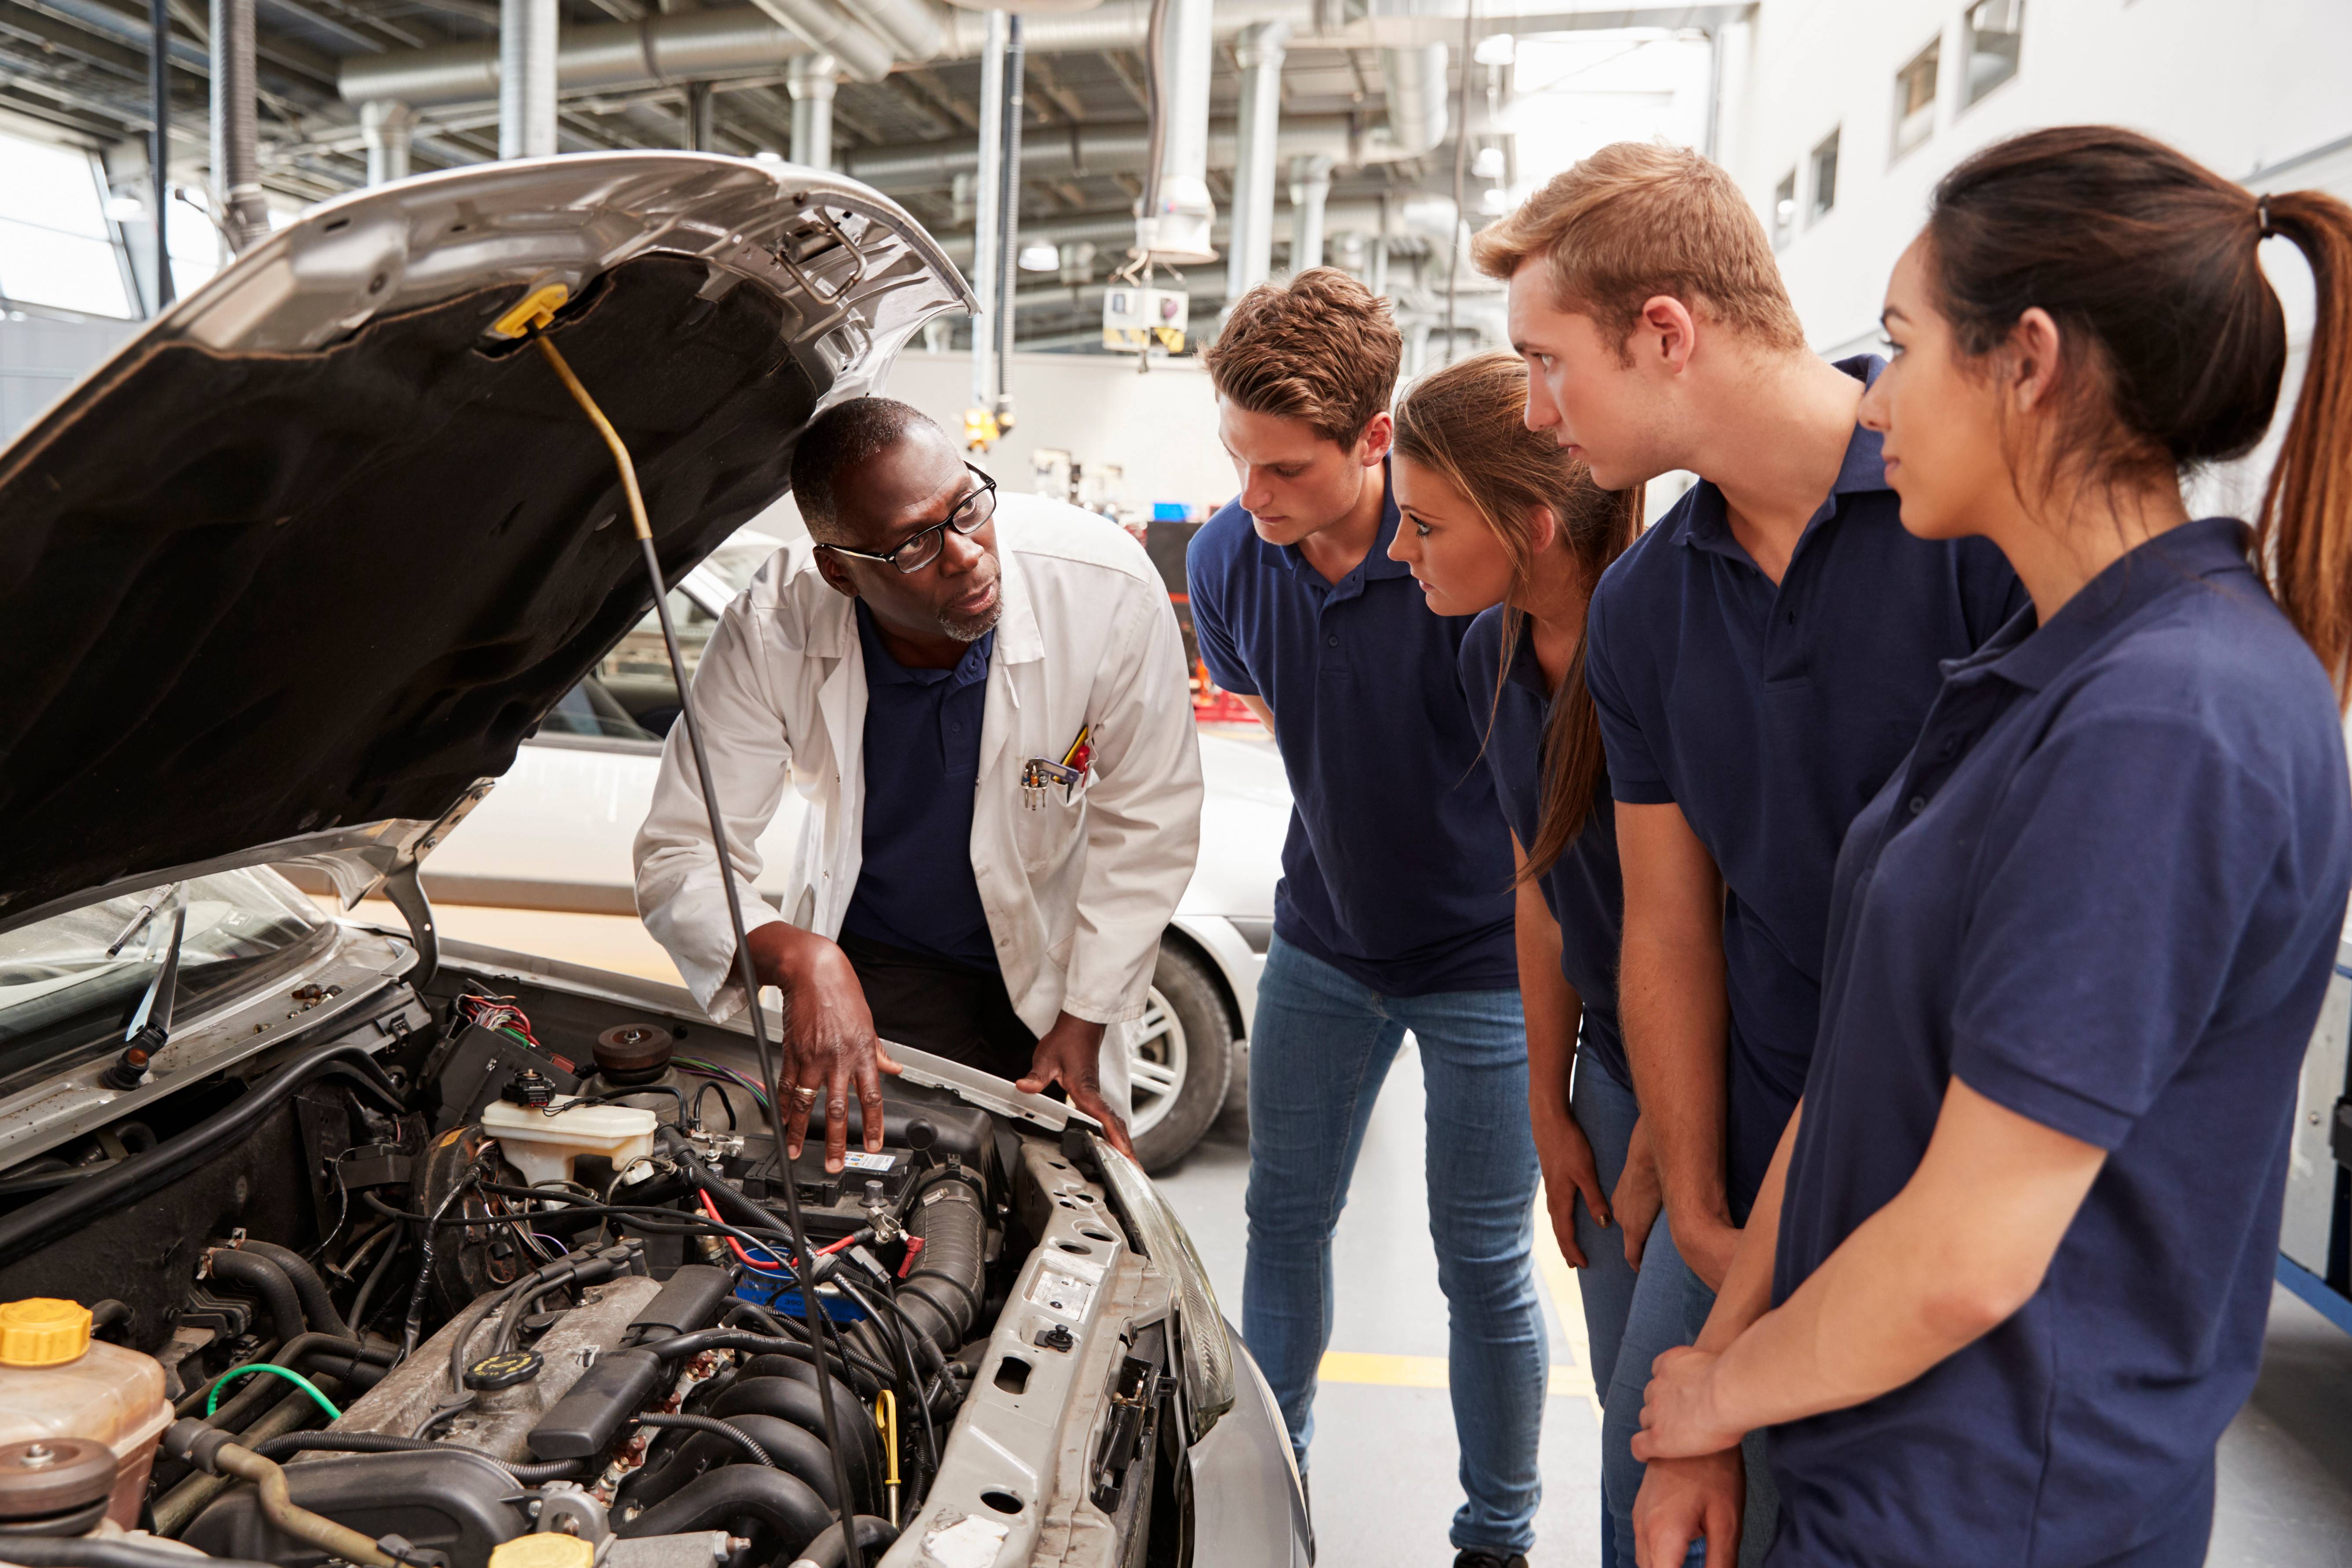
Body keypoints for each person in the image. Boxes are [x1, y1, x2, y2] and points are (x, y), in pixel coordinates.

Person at [1631, 126, 2352, 1568]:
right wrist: (1715, 1393)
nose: (1877, 402)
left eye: (1900, 347)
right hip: (1883, 1478)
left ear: (2027, 361)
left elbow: (1968, 1248)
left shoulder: (2167, 723)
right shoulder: (2048, 666)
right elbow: (1860, 1077)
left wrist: (1722, 1385)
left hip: (1995, 1511)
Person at [1469, 143, 2025, 1564]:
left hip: (1973, 1153)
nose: (1537, 408)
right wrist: (1702, 1201)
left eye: (1549, 362)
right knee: (1643, 1507)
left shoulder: (1977, 525)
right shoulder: (1649, 604)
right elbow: (1666, 926)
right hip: (1757, 1136)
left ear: (1667, 330)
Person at [1187, 271, 1545, 1568]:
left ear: (1374, 440)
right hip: (1325, 945)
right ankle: (1270, 1502)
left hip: (1482, 969)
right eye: (1236, 458)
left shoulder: (1465, 563)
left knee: (1481, 1262)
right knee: (1280, 1224)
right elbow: (1288, 715)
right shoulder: (1231, 559)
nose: (1251, 495)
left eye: (1282, 468)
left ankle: (1495, 1538)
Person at [634, 396, 1202, 1171]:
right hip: (880, 970)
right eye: (912, 547)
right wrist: (802, 960)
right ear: (838, 570)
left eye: (967, 506)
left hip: (1053, 968)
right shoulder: (774, 626)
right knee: (872, 1205)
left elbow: (1150, 818)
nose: (966, 554)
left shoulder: (1102, 587)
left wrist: (1088, 1016)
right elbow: (680, 852)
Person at [1384, 350, 1646, 1563]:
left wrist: (1675, 1140)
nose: (1401, 553)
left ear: (1530, 525)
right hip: (1608, 1077)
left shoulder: (1661, 645)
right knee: (1624, 1413)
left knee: (1669, 1438)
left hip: (1720, 1089)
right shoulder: (1482, 648)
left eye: (1423, 525)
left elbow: (1711, 929)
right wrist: (1551, 1104)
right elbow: (1537, 889)